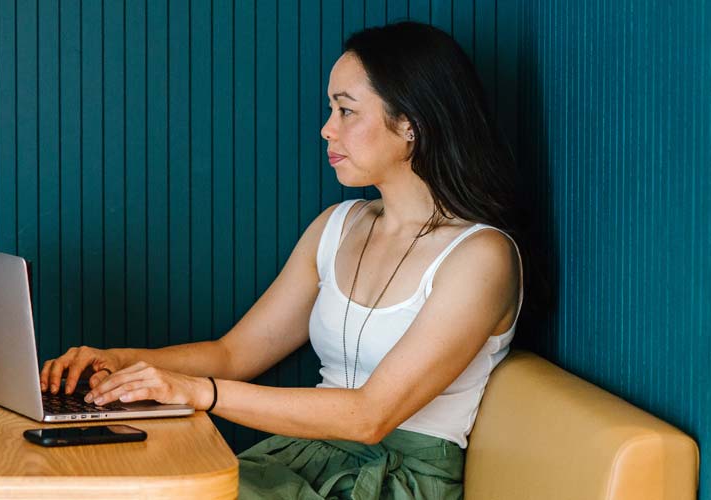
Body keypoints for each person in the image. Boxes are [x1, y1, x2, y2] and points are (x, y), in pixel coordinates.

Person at [39, 22, 521, 499]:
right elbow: (234, 354)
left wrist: (199, 392)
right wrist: (121, 363)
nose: (326, 128)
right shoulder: (338, 224)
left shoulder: (481, 256)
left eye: (346, 110)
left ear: (411, 123)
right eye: (331, 108)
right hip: (310, 455)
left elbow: (370, 416)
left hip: (397, 479)